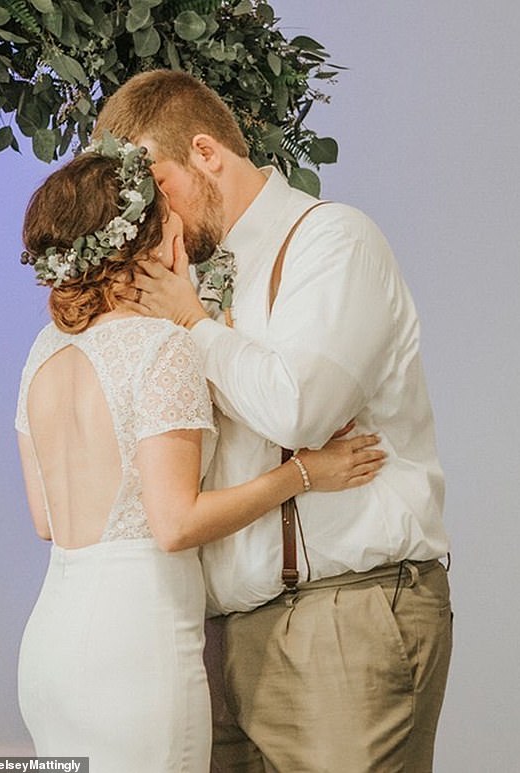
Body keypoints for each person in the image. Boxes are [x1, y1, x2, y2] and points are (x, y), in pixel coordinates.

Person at [93, 70, 453, 773]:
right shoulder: (183, 277)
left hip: (341, 620)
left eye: (154, 184)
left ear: (205, 154)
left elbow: (301, 408)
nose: (143, 213)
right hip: (220, 640)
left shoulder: (333, 242)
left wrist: (192, 325)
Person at [14, 134, 385, 773]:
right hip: (135, 643)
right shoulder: (162, 348)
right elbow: (175, 523)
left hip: (51, 641)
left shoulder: (43, 352)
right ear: (149, 250)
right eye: (172, 231)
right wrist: (301, 473)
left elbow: (46, 521)